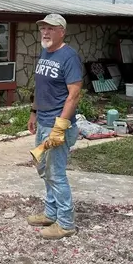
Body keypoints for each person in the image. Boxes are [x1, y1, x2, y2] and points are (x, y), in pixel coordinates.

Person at [26, 13, 83, 240]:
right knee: (44, 170)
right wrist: (33, 112)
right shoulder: (46, 52)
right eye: (43, 28)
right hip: (43, 121)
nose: (45, 32)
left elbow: (74, 95)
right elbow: (40, 87)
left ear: (62, 31)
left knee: (56, 173)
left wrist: (59, 127)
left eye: (51, 28)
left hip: (59, 125)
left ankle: (66, 223)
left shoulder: (69, 57)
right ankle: (51, 213)